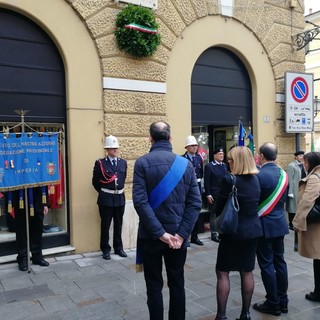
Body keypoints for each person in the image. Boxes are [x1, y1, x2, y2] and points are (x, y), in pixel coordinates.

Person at [133, 122, 202, 320]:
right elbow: (195, 204)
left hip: (151, 236)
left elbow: (140, 203)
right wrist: (181, 234)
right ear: (170, 139)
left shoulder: (142, 163)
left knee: (154, 285)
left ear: (150, 138)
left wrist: (160, 234)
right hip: (177, 239)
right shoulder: (186, 165)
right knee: (177, 283)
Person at [214, 146, 262, 320]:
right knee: (247, 271)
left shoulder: (229, 180)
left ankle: (221, 315)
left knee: (222, 272)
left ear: (238, 162)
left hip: (232, 232)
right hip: (252, 231)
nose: (228, 162)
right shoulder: (257, 179)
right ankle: (246, 314)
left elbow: (219, 208)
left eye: (231, 159)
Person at [253, 142, 289, 316]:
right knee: (280, 262)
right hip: (280, 223)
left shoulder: (258, 175)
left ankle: (273, 302)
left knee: (266, 264)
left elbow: (254, 201)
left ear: (261, 155)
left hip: (264, 224)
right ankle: (283, 301)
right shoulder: (284, 174)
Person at [92, 135, 127, 260]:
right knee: (105, 225)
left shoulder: (123, 162)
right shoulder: (100, 163)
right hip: (106, 199)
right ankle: (105, 249)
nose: (115, 150)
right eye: (112, 148)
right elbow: (95, 182)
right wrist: (105, 192)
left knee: (119, 224)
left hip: (120, 198)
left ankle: (119, 247)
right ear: (107, 149)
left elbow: (123, 179)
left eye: (116, 148)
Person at [293, 152, 320, 302]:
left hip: (317, 226)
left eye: (306, 162)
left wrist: (297, 222)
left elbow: (306, 202)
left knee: (318, 259)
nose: (304, 165)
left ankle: (318, 293)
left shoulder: (315, 178)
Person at [8, 187, 50, 271]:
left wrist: (45, 204)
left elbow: (43, 181)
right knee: (21, 231)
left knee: (37, 229)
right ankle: (22, 258)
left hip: (37, 198)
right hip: (21, 198)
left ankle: (37, 256)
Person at [182, 135, 204, 246]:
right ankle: (185, 237)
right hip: (186, 187)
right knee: (186, 211)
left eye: (196, 145)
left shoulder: (199, 158)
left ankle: (195, 237)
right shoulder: (182, 159)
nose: (195, 147)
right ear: (187, 147)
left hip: (197, 186)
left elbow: (201, 173)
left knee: (196, 211)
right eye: (192, 145)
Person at [204, 147, 228, 242]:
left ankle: (221, 231)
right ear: (214, 155)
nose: (221, 156)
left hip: (224, 194)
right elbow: (207, 181)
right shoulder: (210, 166)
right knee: (214, 214)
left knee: (222, 213)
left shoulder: (225, 166)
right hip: (214, 194)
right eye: (219, 154)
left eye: (222, 154)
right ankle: (214, 233)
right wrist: (208, 194)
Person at [286, 151, 305, 231]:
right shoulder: (291, 165)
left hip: (302, 188)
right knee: (292, 207)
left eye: (302, 156)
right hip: (294, 189)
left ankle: (298, 222)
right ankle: (291, 223)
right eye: (300, 156)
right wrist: (290, 191)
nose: (301, 157)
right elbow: (290, 179)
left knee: (299, 207)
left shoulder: (304, 164)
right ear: (296, 157)